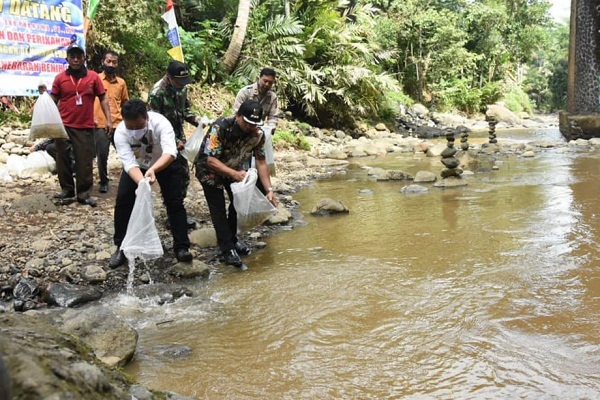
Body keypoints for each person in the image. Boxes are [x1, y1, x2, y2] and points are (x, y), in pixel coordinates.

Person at [108, 99, 193, 268]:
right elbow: (129, 162)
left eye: (138, 126)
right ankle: (121, 247)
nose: (134, 130)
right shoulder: (120, 133)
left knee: (174, 202)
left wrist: (153, 170)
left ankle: (182, 247)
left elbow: (170, 152)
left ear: (146, 117)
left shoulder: (161, 123)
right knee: (123, 201)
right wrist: (141, 182)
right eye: (130, 127)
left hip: (165, 162)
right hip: (138, 165)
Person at [194, 99, 277, 269]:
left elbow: (261, 161)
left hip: (235, 169)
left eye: (254, 124)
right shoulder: (221, 127)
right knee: (217, 208)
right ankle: (227, 250)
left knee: (237, 204)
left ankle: (232, 239)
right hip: (210, 170)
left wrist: (269, 189)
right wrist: (234, 174)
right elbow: (211, 160)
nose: (250, 127)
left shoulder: (258, 134)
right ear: (238, 115)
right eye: (247, 123)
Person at [50, 43, 112, 207]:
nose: (76, 59)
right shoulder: (60, 78)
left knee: (84, 160)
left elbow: (103, 98)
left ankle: (83, 194)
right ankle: (67, 190)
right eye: (72, 56)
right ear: (67, 59)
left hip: (84, 125)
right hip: (63, 125)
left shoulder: (93, 77)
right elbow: (53, 100)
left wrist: (108, 120)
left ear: (84, 58)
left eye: (79, 56)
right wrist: (46, 119)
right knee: (62, 158)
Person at [148, 60, 201, 229]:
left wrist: (198, 121)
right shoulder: (157, 93)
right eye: (179, 82)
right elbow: (153, 123)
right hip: (163, 144)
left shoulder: (182, 89)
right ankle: (174, 214)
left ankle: (177, 209)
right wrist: (173, 142)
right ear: (169, 78)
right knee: (171, 178)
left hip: (180, 141)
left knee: (183, 177)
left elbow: (186, 112)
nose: (182, 85)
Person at [93, 50, 129, 193]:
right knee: (102, 155)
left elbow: (125, 102)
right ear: (103, 62)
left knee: (126, 152)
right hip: (100, 124)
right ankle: (103, 181)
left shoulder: (121, 83)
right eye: (109, 61)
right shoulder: (95, 80)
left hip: (118, 124)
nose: (111, 64)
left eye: (114, 62)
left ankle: (131, 177)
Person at [233, 67, 279, 178]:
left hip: (259, 134)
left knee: (261, 160)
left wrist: (271, 127)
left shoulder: (272, 97)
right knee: (242, 160)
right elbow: (236, 114)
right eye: (265, 81)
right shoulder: (245, 92)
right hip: (243, 132)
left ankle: (260, 183)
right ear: (259, 78)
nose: (267, 84)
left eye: (270, 82)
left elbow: (273, 116)